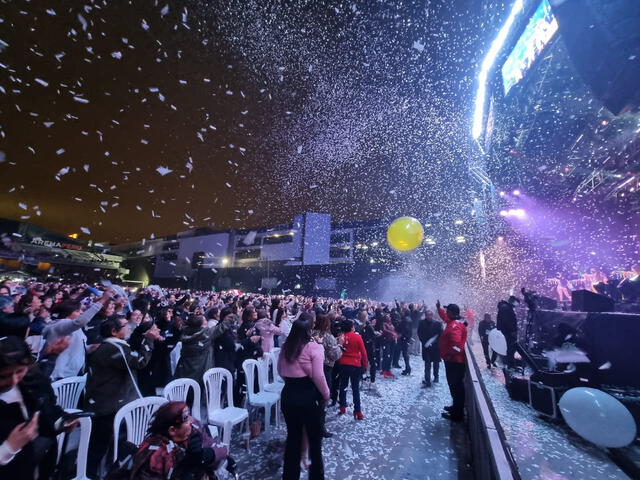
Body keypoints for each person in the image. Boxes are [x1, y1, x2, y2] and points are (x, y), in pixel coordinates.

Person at [85, 316, 161, 478]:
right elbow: (139, 362)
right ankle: (91, 474)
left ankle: (106, 470)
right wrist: (148, 341)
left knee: (106, 443)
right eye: (125, 326)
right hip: (107, 404)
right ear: (114, 331)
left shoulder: (114, 346)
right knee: (100, 445)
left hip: (109, 400)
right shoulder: (113, 349)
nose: (129, 327)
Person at [0, 336, 77, 478]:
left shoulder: (31, 382)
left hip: (36, 466)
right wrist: (8, 448)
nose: (14, 380)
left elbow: (47, 410)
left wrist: (62, 421)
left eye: (19, 372)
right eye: (3, 376)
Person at [278, 313, 329, 480]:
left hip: (288, 395)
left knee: (293, 439)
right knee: (314, 443)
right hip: (308, 396)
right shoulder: (314, 347)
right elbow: (318, 376)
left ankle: (290, 476)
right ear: (310, 329)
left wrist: (292, 382)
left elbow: (280, 370)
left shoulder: (286, 346)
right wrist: (326, 394)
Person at [130, 401, 230, 479]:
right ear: (172, 430)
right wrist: (185, 471)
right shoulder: (155, 455)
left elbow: (220, 447)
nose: (191, 420)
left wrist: (205, 455)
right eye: (185, 418)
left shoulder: (194, 430)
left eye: (189, 414)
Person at [437, 301, 467, 423]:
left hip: (454, 362)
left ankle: (457, 414)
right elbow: (444, 317)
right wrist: (439, 309)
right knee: (454, 386)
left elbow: (456, 345)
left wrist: (449, 355)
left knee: (456, 387)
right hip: (453, 361)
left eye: (448, 311)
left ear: (453, 313)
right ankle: (455, 407)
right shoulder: (453, 322)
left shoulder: (455, 326)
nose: (446, 313)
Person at [312, 314, 341, 438]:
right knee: (323, 397)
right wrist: (339, 345)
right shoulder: (328, 337)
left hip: (311, 369)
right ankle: (320, 427)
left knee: (313, 398)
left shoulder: (311, 334)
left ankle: (311, 424)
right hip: (325, 369)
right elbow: (335, 355)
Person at [336, 318, 368, 420]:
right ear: (351, 327)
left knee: (343, 386)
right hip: (355, 365)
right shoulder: (357, 337)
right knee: (355, 388)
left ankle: (342, 407)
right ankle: (357, 411)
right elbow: (363, 353)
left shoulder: (341, 337)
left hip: (343, 364)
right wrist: (365, 365)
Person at [174, 314, 214, 386]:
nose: (206, 321)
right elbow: (221, 328)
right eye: (204, 320)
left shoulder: (186, 332)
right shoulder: (205, 334)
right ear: (201, 324)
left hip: (185, 367)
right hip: (199, 369)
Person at [417, 310, 442, 387]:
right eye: (427, 315)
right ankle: (427, 380)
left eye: (430, 315)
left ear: (432, 315)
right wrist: (424, 342)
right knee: (427, 364)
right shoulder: (421, 323)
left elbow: (440, 334)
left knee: (436, 363)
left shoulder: (437, 323)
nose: (429, 317)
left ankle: (436, 377)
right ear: (425, 315)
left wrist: (434, 343)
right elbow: (419, 333)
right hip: (426, 347)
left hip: (435, 347)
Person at [496, 296, 519, 368]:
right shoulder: (506, 308)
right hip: (508, 332)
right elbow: (508, 321)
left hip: (507, 331)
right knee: (511, 348)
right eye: (517, 303)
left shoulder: (506, 307)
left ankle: (510, 364)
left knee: (511, 348)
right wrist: (512, 331)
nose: (517, 305)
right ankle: (510, 365)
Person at [380, 314, 398, 378]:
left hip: (392, 341)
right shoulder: (384, 324)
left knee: (391, 356)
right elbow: (384, 330)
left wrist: (396, 336)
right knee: (386, 356)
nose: (389, 317)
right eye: (388, 316)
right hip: (386, 341)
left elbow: (394, 330)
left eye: (389, 316)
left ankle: (388, 369)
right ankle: (384, 370)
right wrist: (392, 333)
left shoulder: (391, 324)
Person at [397, 310, 413, 375]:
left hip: (404, 338)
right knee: (405, 353)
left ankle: (408, 368)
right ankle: (407, 368)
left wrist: (401, 334)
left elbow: (403, 328)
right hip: (407, 337)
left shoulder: (404, 320)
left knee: (405, 353)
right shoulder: (410, 319)